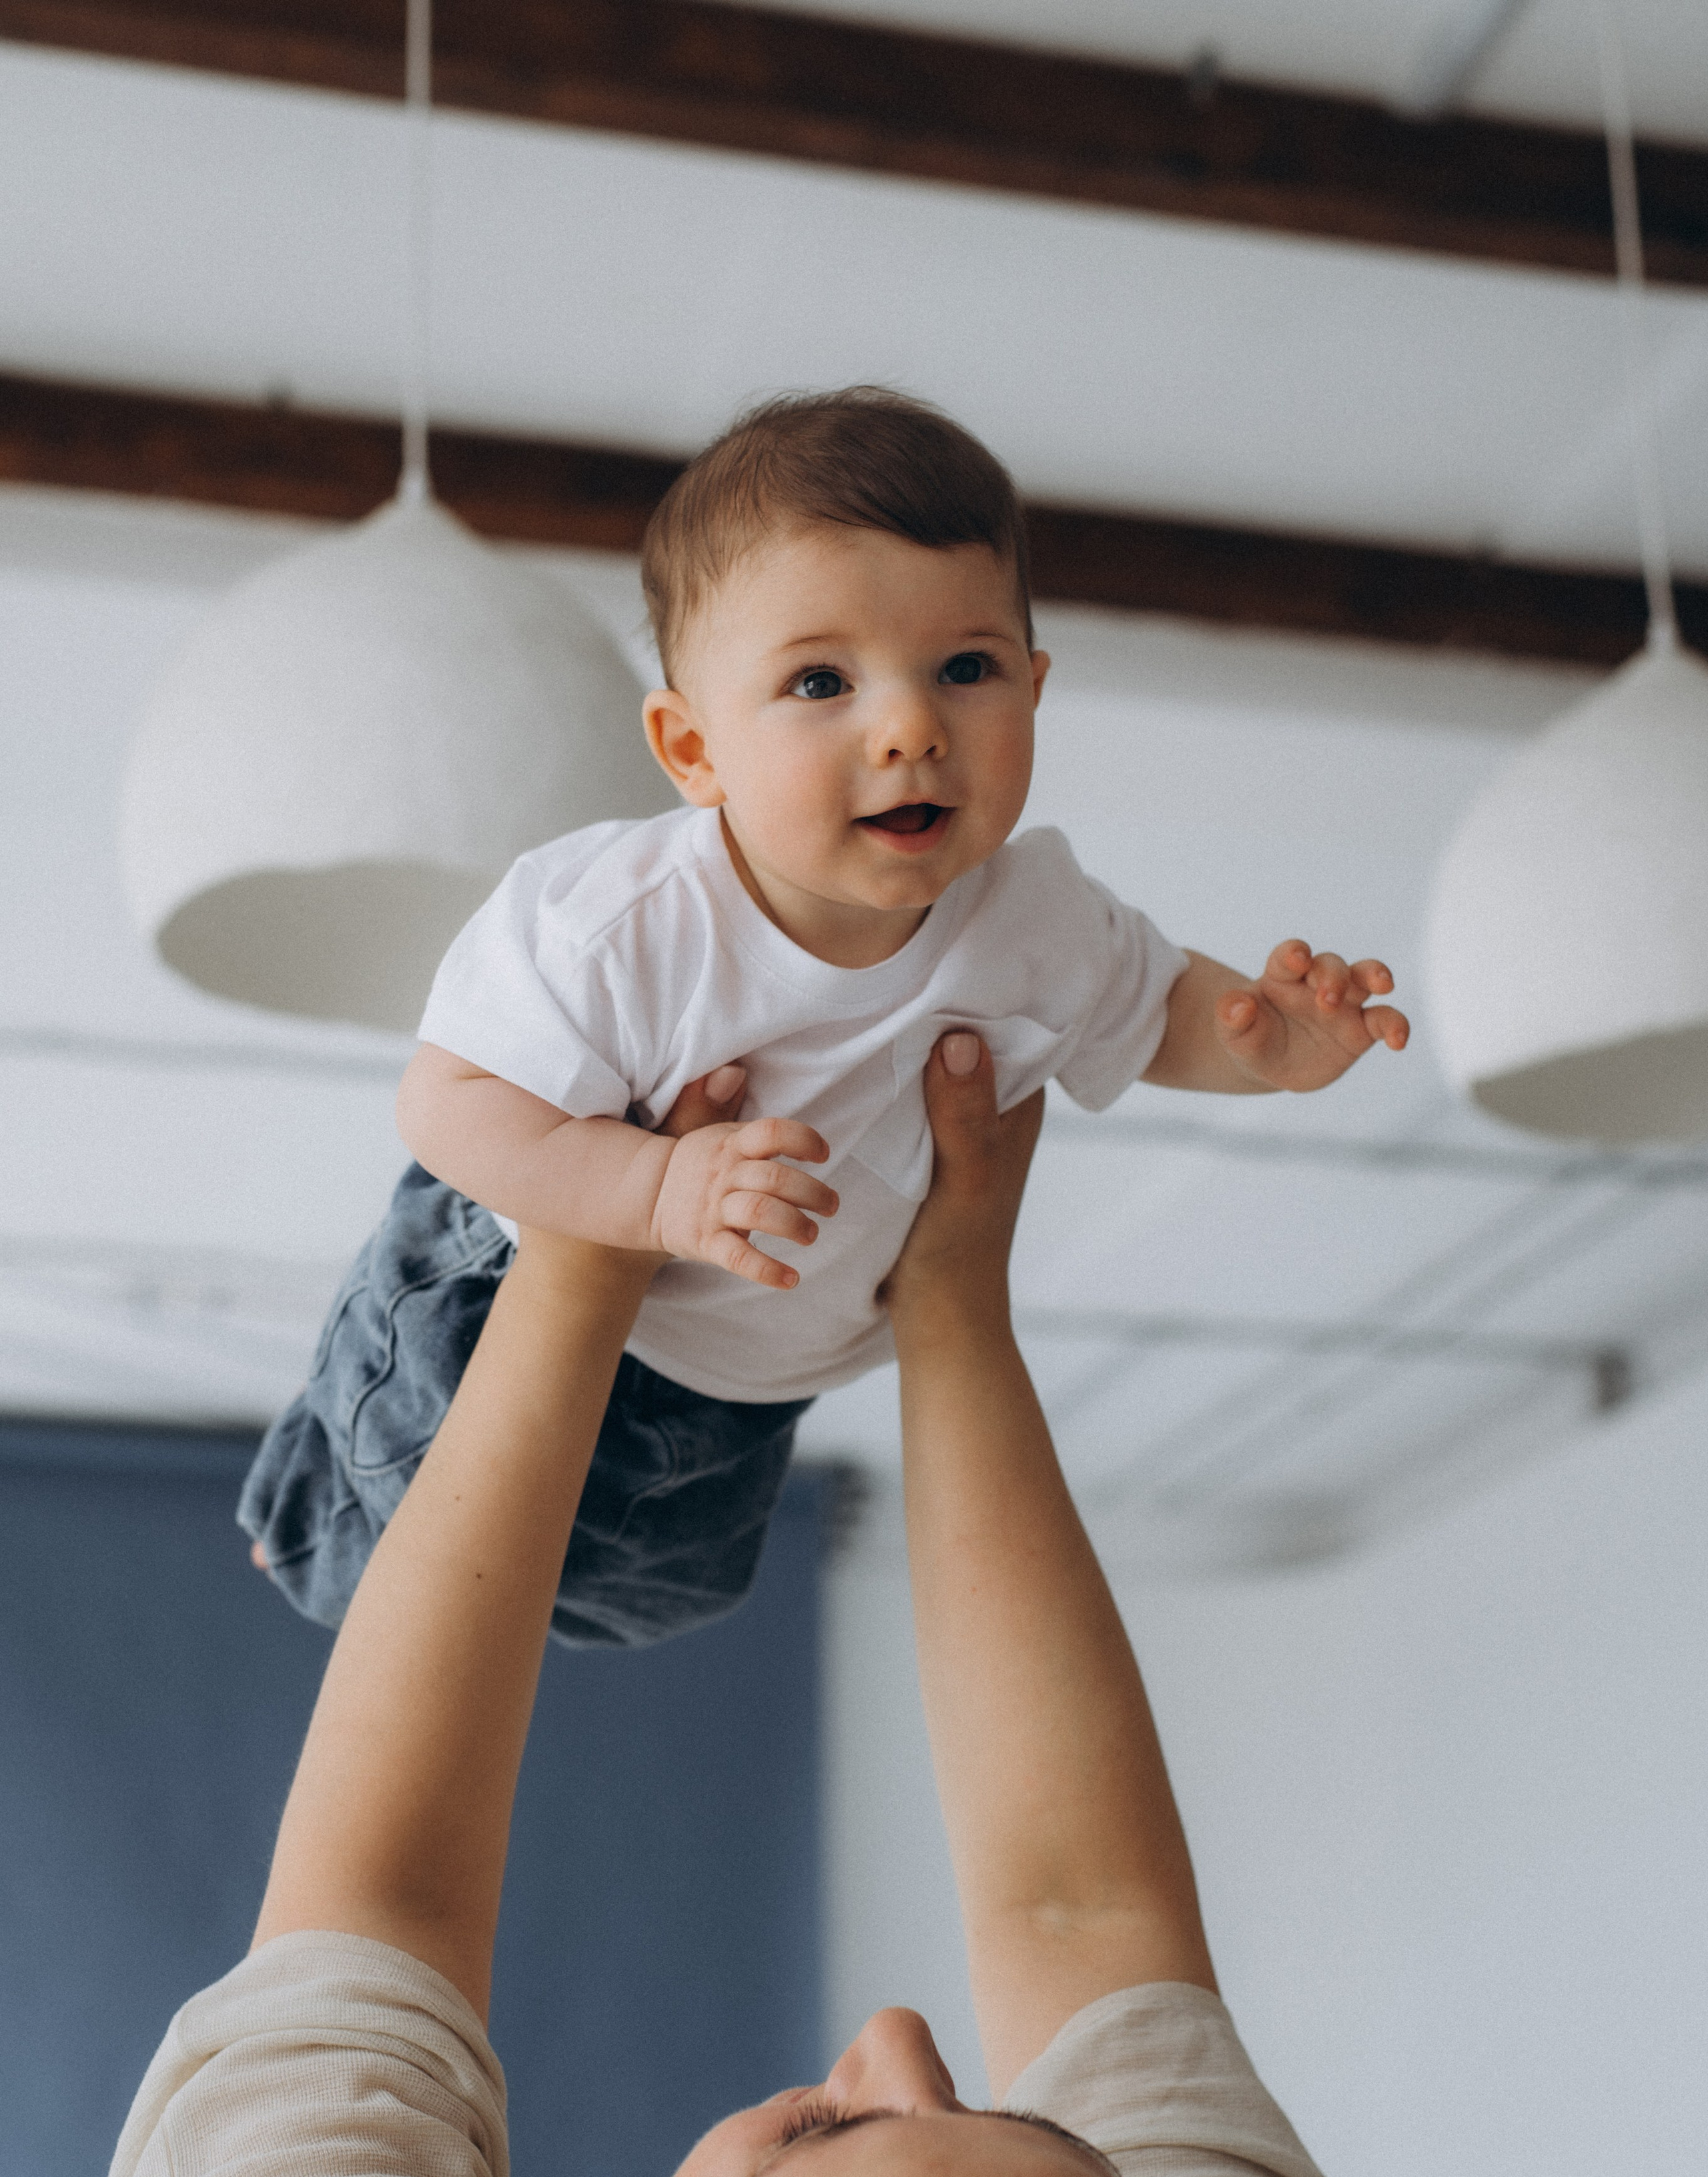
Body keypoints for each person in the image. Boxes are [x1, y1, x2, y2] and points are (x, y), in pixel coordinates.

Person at [63, 1036, 1413, 2177]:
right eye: (1037, 2130)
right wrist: (952, 1303)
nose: (898, 2041)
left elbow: (382, 1904)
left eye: (823, 2136)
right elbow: (1083, 1917)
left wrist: (585, 1239)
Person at [240, 386, 1409, 1651]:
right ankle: (297, 1507)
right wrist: (653, 1193)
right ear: (693, 751)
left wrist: (1267, 1045)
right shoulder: (618, 923)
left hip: (750, 1386)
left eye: (967, 668)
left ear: (1037, 687)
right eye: (820, 681)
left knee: (648, 1603)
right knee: (404, 1553)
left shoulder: (1040, 920)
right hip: (507, 1282)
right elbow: (446, 1107)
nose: (910, 727)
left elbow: (1159, 1010)